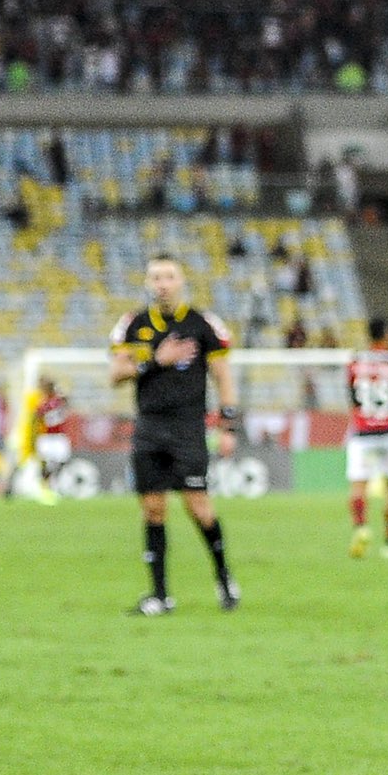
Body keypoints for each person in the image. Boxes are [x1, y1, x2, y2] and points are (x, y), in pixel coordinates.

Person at [107, 255, 240, 616]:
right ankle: (160, 595)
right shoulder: (133, 324)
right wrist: (154, 360)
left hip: (188, 430)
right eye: (155, 277)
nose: (162, 283)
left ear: (181, 280)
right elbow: (115, 375)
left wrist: (228, 425)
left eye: (168, 276)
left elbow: (223, 376)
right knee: (153, 509)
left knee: (198, 506)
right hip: (149, 428)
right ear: (148, 283)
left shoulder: (203, 324)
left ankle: (224, 577)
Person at [345, 318, 388, 560]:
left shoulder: (356, 361)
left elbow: (352, 399)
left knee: (359, 485)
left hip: (362, 432)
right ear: (387, 334)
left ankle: (361, 526)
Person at [20, 374, 73, 504]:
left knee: (62, 462)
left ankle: (54, 485)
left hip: (59, 437)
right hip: (46, 437)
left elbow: (67, 400)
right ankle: (45, 487)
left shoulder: (59, 400)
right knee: (45, 464)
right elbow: (35, 418)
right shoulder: (42, 403)